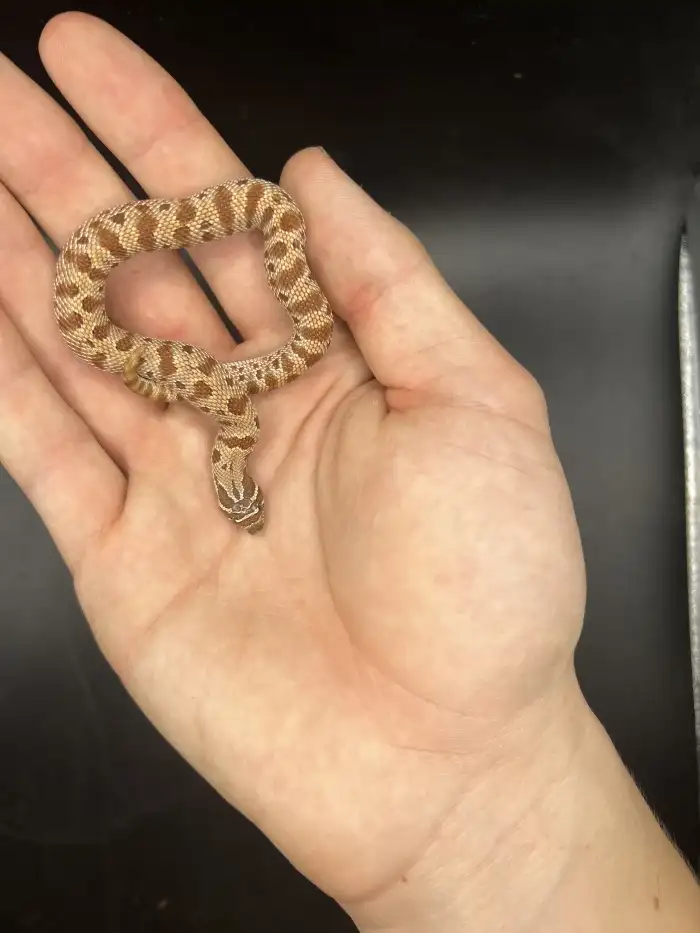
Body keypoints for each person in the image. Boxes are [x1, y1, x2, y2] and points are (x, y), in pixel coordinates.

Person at [0, 11, 698, 932]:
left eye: (240, 499)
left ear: (233, 473)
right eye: (243, 499)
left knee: (264, 241)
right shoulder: (227, 405)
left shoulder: (232, 402)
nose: (245, 505)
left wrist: (490, 784)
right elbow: (220, 393)